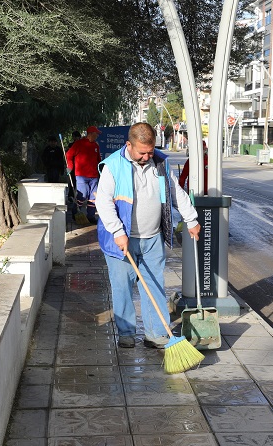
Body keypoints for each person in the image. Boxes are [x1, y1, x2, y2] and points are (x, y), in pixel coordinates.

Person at [95, 122, 201, 349]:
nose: (146, 156)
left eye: (150, 151)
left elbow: (175, 192)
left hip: (152, 237)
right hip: (122, 239)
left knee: (154, 284)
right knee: (122, 286)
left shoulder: (160, 162)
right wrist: (117, 231)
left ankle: (156, 333)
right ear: (129, 145)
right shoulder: (113, 166)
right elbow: (103, 203)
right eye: (142, 152)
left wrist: (190, 219)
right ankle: (126, 333)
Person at [66, 126, 102, 223]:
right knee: (83, 194)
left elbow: (99, 159)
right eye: (96, 134)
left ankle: (90, 216)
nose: (97, 136)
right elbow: (69, 155)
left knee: (93, 197)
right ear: (91, 134)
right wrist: (70, 166)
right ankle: (75, 212)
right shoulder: (79, 144)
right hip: (81, 175)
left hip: (94, 176)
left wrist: (101, 170)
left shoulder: (96, 146)